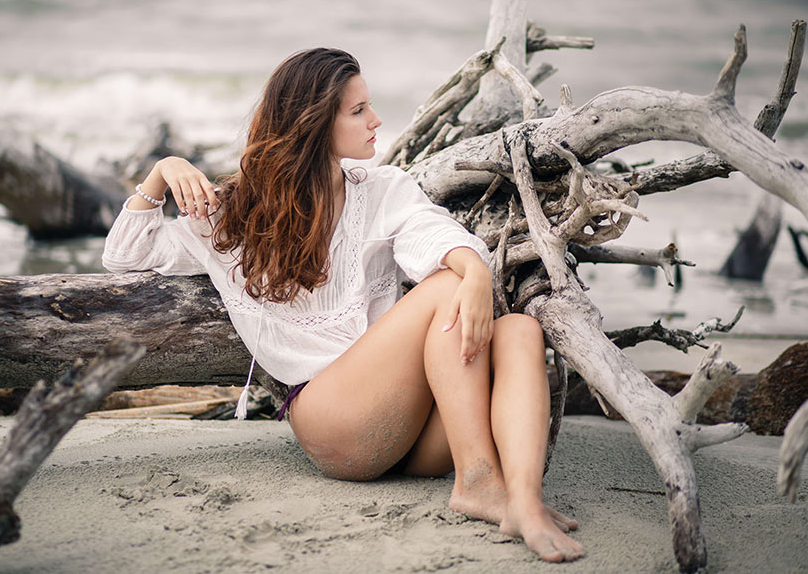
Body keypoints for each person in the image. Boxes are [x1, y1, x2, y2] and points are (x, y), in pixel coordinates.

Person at [102, 48, 584, 563]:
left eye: (369, 106)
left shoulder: (382, 191)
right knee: (451, 284)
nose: (375, 120)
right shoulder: (233, 216)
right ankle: (479, 481)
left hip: (413, 433)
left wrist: (473, 269)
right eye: (358, 111)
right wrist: (163, 172)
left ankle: (524, 502)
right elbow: (125, 255)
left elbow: (433, 233)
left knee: (519, 331)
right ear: (312, 125)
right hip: (334, 426)